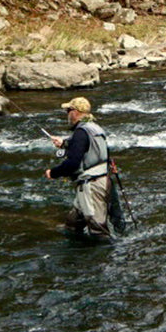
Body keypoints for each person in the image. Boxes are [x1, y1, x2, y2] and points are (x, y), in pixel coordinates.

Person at [46, 96, 114, 239]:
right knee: (73, 223)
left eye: (68, 111)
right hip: (102, 180)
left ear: (75, 112)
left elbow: (72, 163)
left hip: (92, 185)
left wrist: (53, 172)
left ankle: (103, 258)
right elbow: (89, 148)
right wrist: (64, 143)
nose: (67, 114)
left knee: (99, 231)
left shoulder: (81, 132)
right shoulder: (95, 128)